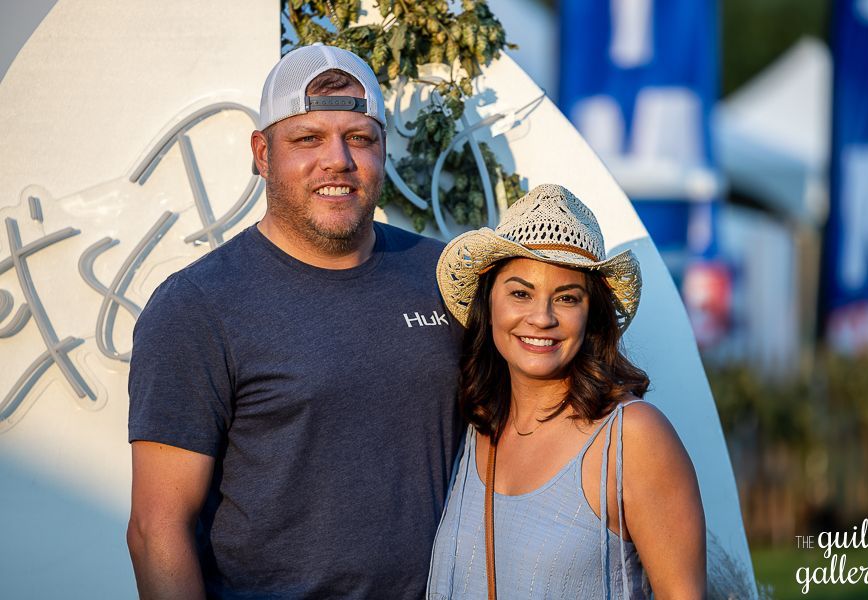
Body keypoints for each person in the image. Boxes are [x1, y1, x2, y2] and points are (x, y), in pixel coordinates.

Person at [126, 44, 462, 599]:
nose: (338, 160)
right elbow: (155, 529)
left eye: (360, 138)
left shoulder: (445, 277)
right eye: (308, 139)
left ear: (383, 150)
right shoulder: (196, 307)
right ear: (262, 153)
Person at [427, 184, 706, 598]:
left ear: (591, 314)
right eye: (520, 293)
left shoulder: (632, 438)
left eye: (567, 298)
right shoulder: (477, 425)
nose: (542, 318)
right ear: (489, 301)